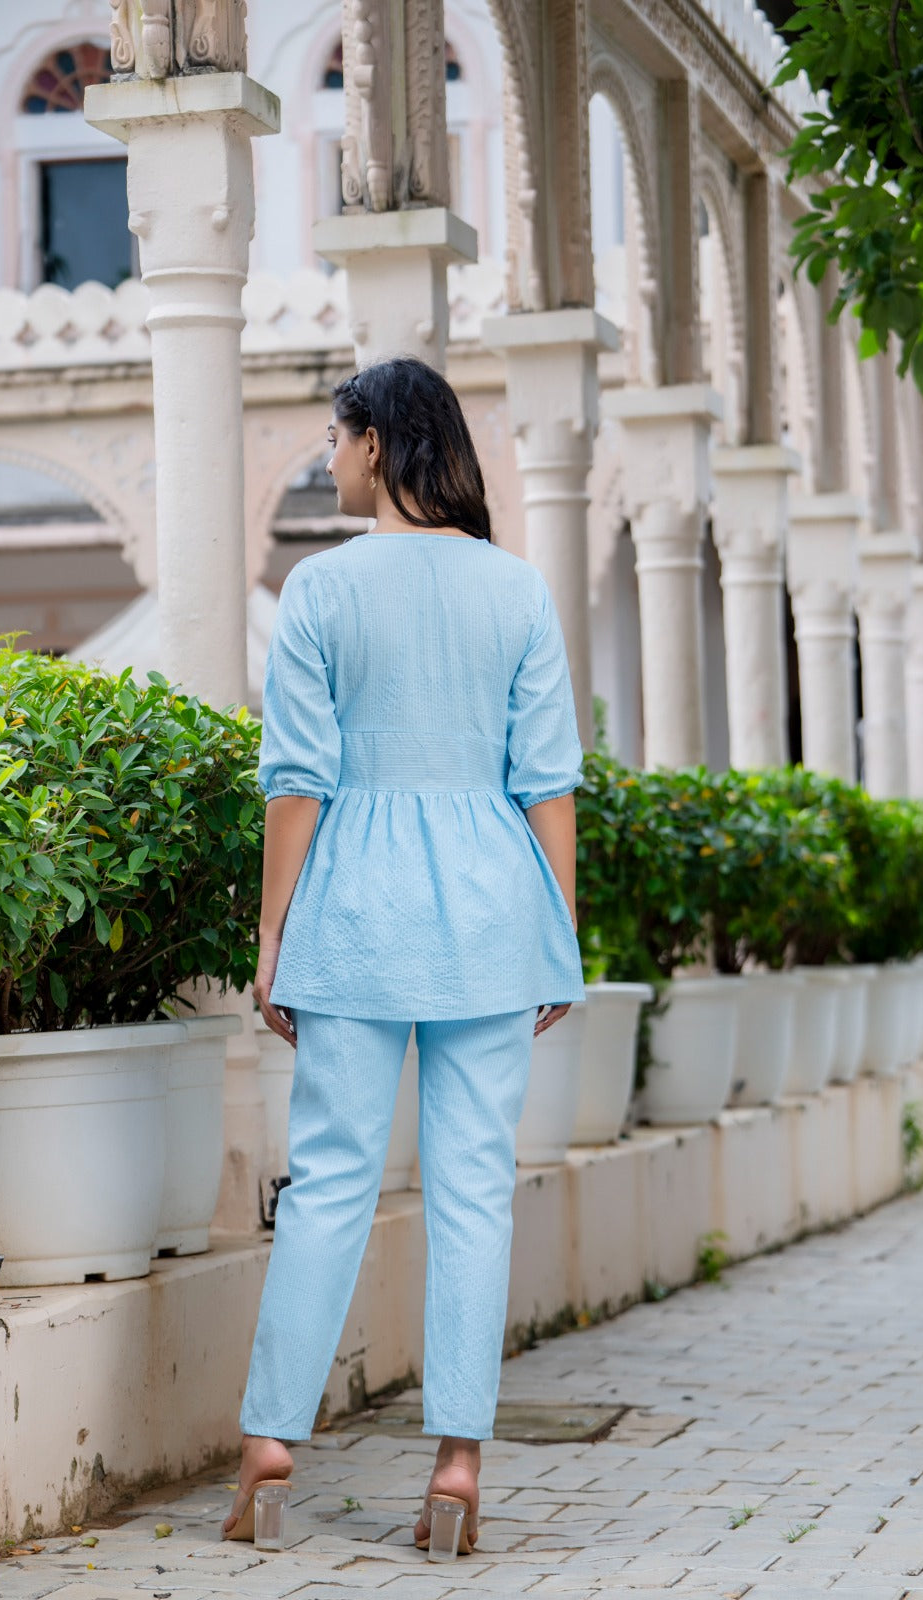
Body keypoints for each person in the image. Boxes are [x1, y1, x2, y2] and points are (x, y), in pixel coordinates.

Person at [222, 355, 584, 1554]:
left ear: (376, 443)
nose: (326, 459)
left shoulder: (320, 593)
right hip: (489, 915)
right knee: (473, 1189)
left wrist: (272, 933)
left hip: (355, 916)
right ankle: (459, 1466)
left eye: (335, 438)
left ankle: (272, 1446)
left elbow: (297, 785)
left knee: (330, 1181)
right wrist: (558, 936)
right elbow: (546, 787)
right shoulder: (517, 591)